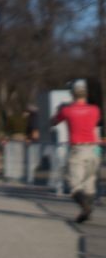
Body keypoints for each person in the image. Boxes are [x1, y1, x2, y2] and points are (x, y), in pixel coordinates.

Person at [51, 80, 102, 223]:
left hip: (78, 150)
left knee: (74, 184)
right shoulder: (95, 109)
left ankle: (85, 208)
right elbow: (95, 122)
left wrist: (59, 110)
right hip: (94, 149)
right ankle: (88, 212)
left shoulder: (67, 110)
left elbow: (53, 122)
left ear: (72, 93)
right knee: (89, 183)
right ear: (86, 93)